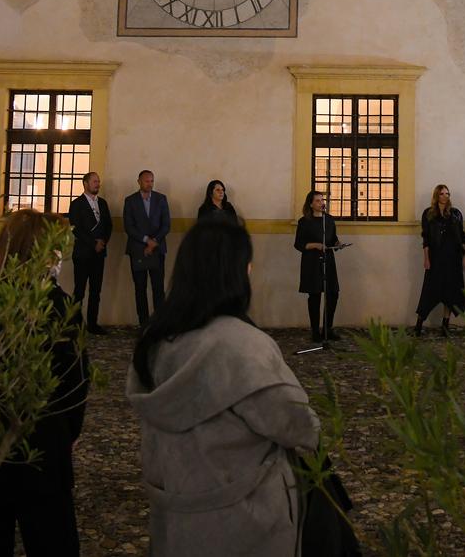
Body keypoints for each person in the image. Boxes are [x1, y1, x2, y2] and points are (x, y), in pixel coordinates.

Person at [126, 222, 319, 557]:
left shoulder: (155, 342)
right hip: (244, 519)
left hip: (176, 515)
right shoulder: (244, 346)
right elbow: (299, 426)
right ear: (236, 272)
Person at [0, 209, 89, 557]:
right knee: (51, 540)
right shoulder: (59, 307)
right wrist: (67, 434)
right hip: (42, 445)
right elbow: (75, 383)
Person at [414, 184, 465, 336]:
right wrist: (426, 258)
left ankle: (445, 324)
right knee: (429, 290)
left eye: (447, 193)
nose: (445, 196)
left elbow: (461, 237)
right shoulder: (429, 214)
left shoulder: (455, 214)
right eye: (442, 193)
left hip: (452, 257)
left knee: (450, 291)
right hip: (436, 257)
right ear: (437, 195)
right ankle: (419, 324)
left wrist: (464, 256)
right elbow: (426, 238)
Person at [123, 170, 171, 329]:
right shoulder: (130, 201)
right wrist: (145, 240)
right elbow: (129, 226)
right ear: (139, 182)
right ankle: (143, 324)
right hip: (138, 249)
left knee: (158, 288)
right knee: (140, 288)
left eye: (151, 181)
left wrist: (154, 241)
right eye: (146, 181)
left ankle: (159, 324)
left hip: (157, 249)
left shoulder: (161, 199)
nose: (149, 184)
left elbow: (166, 225)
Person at [294, 189, 343, 343]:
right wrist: (314, 245)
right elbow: (298, 244)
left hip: (328, 260)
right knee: (315, 296)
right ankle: (315, 331)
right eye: (318, 200)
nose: (321, 203)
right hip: (312, 262)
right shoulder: (304, 222)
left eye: (322, 200)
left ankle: (327, 328)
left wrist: (337, 244)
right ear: (310, 203)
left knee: (333, 294)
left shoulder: (328, 220)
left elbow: (333, 238)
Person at [67, 171, 113, 334]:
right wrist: (93, 243)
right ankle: (75, 324)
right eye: (94, 181)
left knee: (96, 290)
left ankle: (93, 324)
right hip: (82, 253)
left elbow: (109, 225)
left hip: (99, 253)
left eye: (98, 181)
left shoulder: (103, 203)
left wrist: (103, 242)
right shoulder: (76, 204)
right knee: (79, 290)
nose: (97, 184)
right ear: (85, 183)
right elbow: (76, 228)